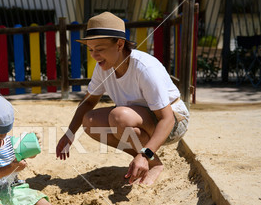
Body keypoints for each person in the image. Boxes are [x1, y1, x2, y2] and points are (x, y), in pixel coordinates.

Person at [56, 12, 189, 185]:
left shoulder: (144, 68)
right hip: (140, 119)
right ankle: (146, 160)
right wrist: (69, 133)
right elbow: (88, 102)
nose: (94, 55)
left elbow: (167, 119)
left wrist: (144, 154)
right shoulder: (103, 67)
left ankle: (149, 160)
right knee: (89, 120)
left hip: (173, 122)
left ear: (119, 44)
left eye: (100, 49)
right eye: (90, 50)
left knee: (119, 117)